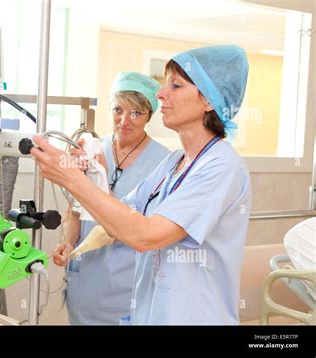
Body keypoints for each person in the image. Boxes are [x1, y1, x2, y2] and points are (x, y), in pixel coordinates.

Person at [32, 45, 252, 324]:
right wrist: (91, 175)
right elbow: (115, 224)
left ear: (209, 100)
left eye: (175, 85)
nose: (161, 94)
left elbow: (145, 235)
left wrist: (71, 179)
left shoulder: (222, 167)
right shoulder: (173, 164)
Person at [53, 72, 170, 325]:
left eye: (136, 113)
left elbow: (143, 228)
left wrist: (102, 178)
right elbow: (76, 207)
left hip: (125, 284)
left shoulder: (164, 162)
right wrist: (68, 243)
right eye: (118, 110)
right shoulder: (92, 148)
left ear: (149, 115)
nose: (124, 120)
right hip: (84, 282)